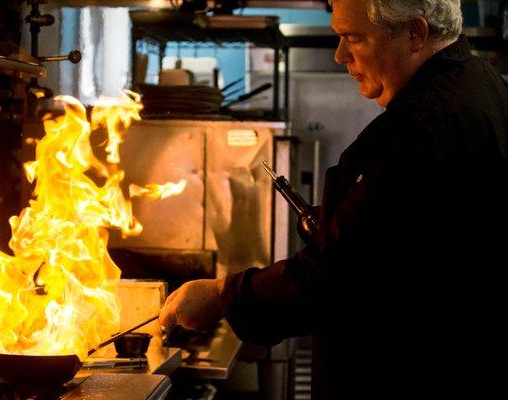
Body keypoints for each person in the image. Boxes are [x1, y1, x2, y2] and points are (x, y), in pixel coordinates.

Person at [159, 0, 508, 398]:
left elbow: (337, 281)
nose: (340, 55)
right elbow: (417, 237)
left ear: (415, 33)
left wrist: (224, 295)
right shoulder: (480, 84)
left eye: (353, 38)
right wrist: (349, 217)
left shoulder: (421, 128)